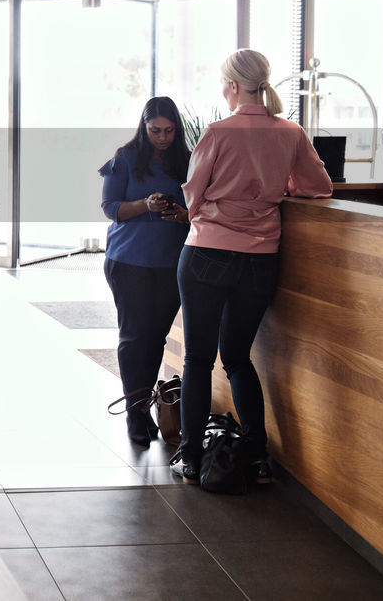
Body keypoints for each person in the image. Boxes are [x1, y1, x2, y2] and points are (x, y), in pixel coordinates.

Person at [170, 49, 332, 485]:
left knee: (199, 359)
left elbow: (192, 195)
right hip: (261, 258)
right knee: (238, 358)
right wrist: (280, 187)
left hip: (207, 253)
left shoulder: (219, 132)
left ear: (232, 86)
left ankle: (189, 458)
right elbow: (319, 186)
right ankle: (258, 458)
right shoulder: (290, 132)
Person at [99, 96, 191, 445]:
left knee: (157, 337)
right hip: (129, 260)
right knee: (134, 336)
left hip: (171, 260)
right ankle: (135, 412)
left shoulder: (188, 160)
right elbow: (110, 207)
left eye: (169, 131)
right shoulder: (125, 158)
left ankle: (144, 403)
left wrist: (182, 214)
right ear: (144, 126)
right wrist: (145, 205)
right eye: (155, 130)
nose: (162, 137)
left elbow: (200, 204)